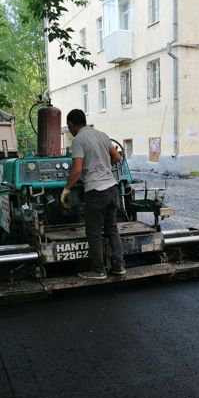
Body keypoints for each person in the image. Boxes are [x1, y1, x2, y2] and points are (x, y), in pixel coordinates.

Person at [60, 109, 125, 280]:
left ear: (72, 124)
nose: (70, 130)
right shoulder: (102, 135)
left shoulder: (78, 140)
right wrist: (103, 166)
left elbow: (77, 170)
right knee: (112, 229)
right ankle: (118, 266)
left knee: (94, 232)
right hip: (112, 189)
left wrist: (66, 189)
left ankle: (99, 271)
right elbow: (117, 158)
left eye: (69, 127)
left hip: (96, 192)